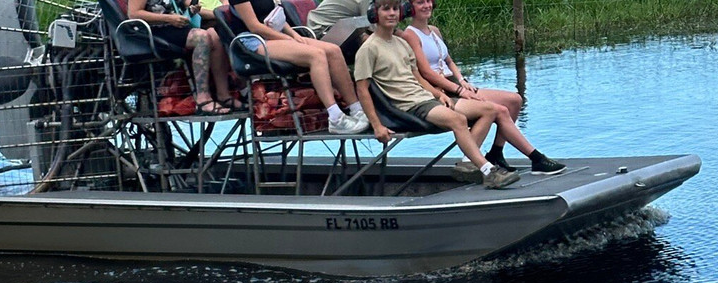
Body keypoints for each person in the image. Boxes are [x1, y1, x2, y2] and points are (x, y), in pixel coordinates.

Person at [353, 0, 519, 188]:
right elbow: (362, 89)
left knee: (489, 110)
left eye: (395, 9)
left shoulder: (401, 43)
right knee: (458, 120)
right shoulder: (369, 48)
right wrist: (377, 126)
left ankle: (468, 165)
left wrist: (438, 94)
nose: (391, 13)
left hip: (426, 98)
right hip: (409, 106)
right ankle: (489, 172)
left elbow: (418, 77)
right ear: (374, 14)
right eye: (385, 9)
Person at [400, 0, 563, 173]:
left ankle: (496, 153)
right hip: (440, 91)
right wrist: (459, 91)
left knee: (514, 100)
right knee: (499, 110)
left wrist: (462, 81)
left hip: (454, 84)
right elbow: (425, 72)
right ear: (410, 8)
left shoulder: (434, 31)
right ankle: (536, 158)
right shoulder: (410, 35)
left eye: (428, 1)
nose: (426, 5)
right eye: (420, 3)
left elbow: (449, 61)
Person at [227, 0, 371, 134]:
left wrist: (295, 35)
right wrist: (287, 39)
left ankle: (357, 109)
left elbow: (275, 18)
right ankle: (335, 118)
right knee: (316, 55)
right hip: (253, 40)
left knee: (333, 51)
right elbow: (254, 26)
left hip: (275, 35)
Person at [129, 0, 235, 113]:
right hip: (151, 31)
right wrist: (169, 18)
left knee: (214, 35)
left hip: (174, 26)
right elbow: (133, 14)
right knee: (202, 38)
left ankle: (223, 95)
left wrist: (190, 11)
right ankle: (203, 99)